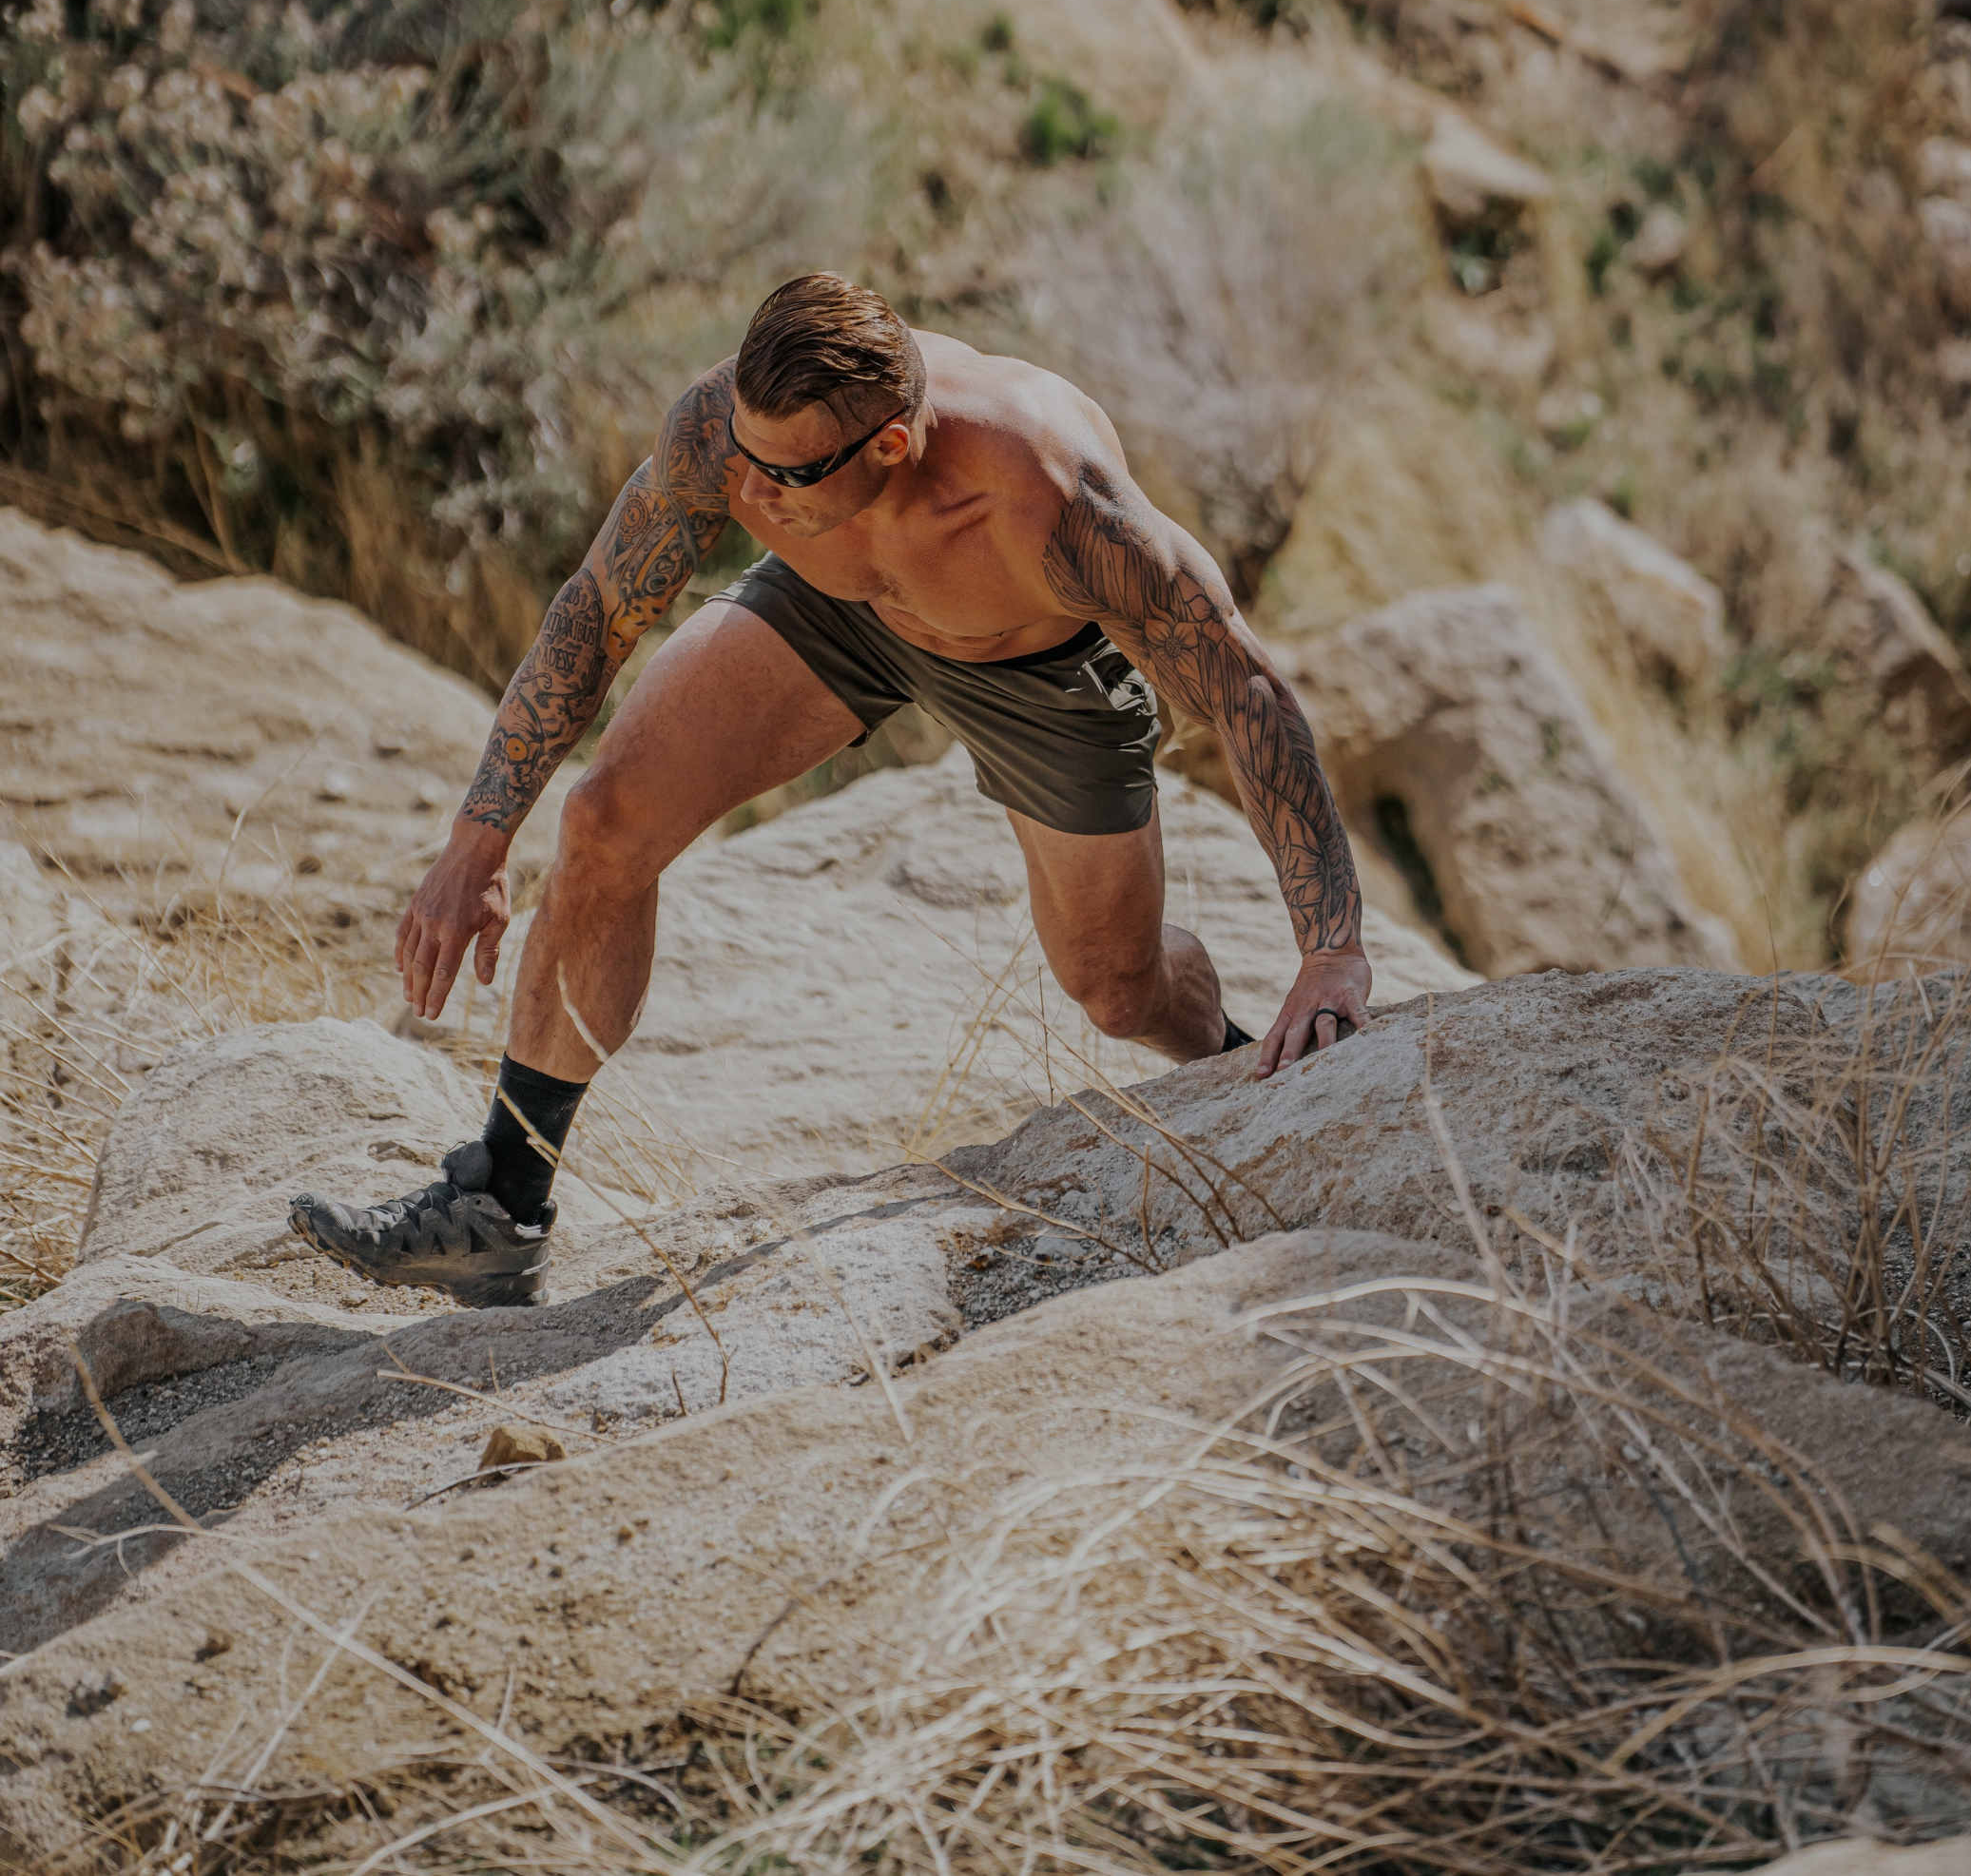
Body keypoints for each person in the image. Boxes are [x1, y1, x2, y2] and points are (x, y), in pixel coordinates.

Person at [290, 273, 1372, 1305]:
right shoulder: (732, 431)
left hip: (1031, 666)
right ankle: (501, 1204)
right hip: (832, 607)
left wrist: (1329, 951)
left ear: (892, 445)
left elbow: (1248, 695)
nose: (749, 492)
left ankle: (1241, 1071)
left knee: (1118, 990)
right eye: (748, 460)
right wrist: (479, 840)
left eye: (787, 476)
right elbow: (597, 612)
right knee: (605, 821)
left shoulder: (1050, 499)